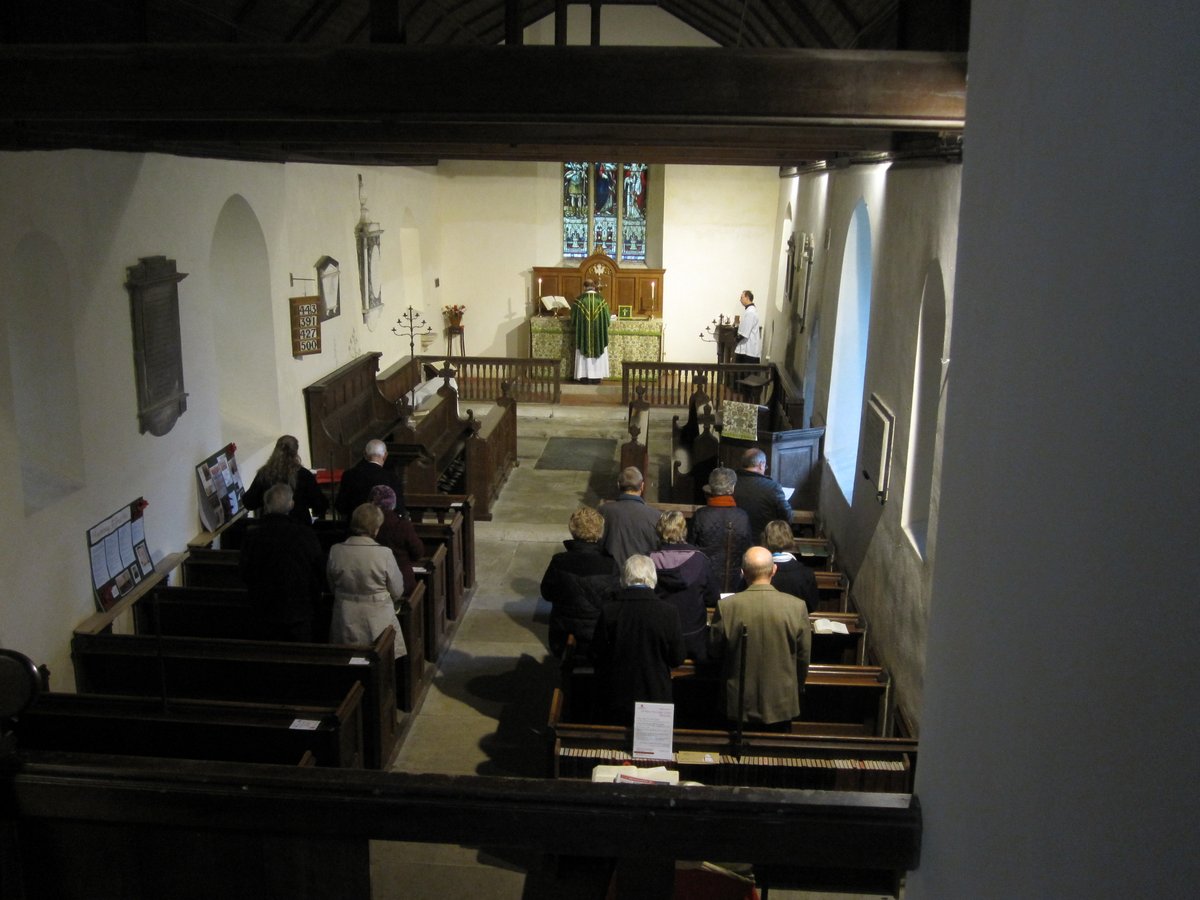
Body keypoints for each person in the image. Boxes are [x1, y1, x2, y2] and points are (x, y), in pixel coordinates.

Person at [708, 546, 812, 730]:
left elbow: (716, 651)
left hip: (738, 700)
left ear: (742, 573)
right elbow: (803, 657)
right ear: (774, 570)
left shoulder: (727, 607)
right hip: (781, 700)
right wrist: (798, 685)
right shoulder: (797, 607)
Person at [591, 555, 686, 723]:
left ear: (624, 578)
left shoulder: (610, 611)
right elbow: (677, 658)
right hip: (656, 696)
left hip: (617, 694)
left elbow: (597, 653)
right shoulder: (668, 613)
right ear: (653, 578)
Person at [238, 483, 325, 642]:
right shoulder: (305, 535)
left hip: (263, 610)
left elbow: (245, 573)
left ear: (266, 505)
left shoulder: (252, 536)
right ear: (291, 505)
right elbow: (318, 571)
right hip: (299, 611)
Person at [326, 502, 408, 659]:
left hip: (345, 616)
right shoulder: (384, 554)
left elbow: (332, 585)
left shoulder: (336, 550)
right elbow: (397, 590)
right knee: (381, 661)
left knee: (347, 662)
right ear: (375, 529)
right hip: (377, 619)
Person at [540, 507, 621, 657]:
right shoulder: (610, 565)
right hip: (598, 634)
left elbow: (547, 593)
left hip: (563, 632)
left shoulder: (559, 561)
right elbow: (615, 600)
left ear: (572, 529)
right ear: (600, 531)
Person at [649, 510, 717, 663]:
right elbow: (712, 598)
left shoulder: (648, 561)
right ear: (684, 531)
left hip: (660, 639)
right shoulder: (700, 560)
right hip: (693, 637)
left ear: (659, 530)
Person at [690, 467, 753, 593]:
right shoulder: (742, 516)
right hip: (736, 583)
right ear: (733, 488)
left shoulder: (701, 515)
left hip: (705, 582)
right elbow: (748, 549)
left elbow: (691, 548)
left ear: (711, 488)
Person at [243, 434, 328, 525]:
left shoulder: (264, 474)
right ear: (295, 453)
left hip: (270, 527)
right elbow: (320, 504)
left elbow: (249, 502)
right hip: (299, 528)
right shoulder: (304, 475)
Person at [736, 519, 819, 610]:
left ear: (765, 540)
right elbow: (811, 607)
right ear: (791, 539)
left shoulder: (756, 569)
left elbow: (741, 598)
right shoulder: (806, 574)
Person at [599, 466, 662, 567]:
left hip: (610, 575)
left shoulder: (603, 511)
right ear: (642, 486)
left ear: (618, 485)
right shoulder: (656, 516)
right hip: (642, 575)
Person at [368, 484, 424, 596]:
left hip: (371, 579)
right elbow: (418, 553)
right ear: (393, 503)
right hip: (401, 579)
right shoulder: (402, 526)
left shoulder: (365, 524)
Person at [336, 438, 404, 520]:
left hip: (355, 526)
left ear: (365, 454)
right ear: (385, 455)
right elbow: (399, 509)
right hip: (383, 528)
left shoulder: (349, 475)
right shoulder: (393, 478)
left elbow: (341, 506)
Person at [733, 447, 791, 541]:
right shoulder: (772, 487)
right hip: (764, 541)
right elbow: (787, 516)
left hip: (735, 539)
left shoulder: (731, 483)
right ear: (761, 465)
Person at [571, 278, 610, 384]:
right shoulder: (601, 300)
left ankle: (584, 376)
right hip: (598, 336)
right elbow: (607, 319)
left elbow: (573, 319)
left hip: (584, 336)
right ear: (594, 287)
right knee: (597, 349)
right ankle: (597, 377)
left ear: (584, 287)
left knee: (583, 352)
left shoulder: (579, 300)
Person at [734, 289, 761, 364]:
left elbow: (745, 333)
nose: (740, 300)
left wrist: (736, 339)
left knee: (744, 374)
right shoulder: (749, 311)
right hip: (745, 350)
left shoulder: (750, 312)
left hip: (748, 351)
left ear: (747, 297)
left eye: (741, 297)